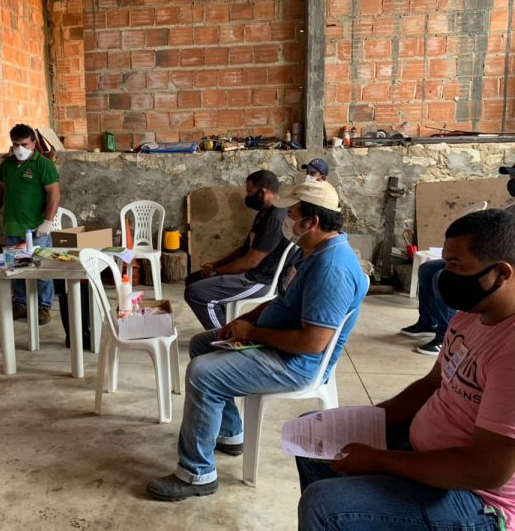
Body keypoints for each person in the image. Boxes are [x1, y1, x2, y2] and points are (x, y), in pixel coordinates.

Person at [147, 181, 368, 501]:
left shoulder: (331, 267)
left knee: (202, 373)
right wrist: (245, 320)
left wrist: (253, 334)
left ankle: (197, 474)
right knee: (201, 344)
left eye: (292, 215)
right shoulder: (314, 251)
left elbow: (312, 343)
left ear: (312, 221)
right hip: (279, 346)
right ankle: (230, 433)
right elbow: (284, 301)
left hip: (295, 363)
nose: (287, 221)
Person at [297, 209, 515, 531]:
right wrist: (366, 420)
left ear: (501, 273)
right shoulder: (470, 314)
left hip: (477, 499)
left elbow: (485, 470)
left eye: (457, 266)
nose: (445, 275)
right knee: (314, 433)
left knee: (324, 506)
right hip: (424, 448)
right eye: (446, 263)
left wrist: (378, 459)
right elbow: (431, 384)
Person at [400, 165, 515, 355]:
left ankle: (443, 334)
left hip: (498, 262)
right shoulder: (511, 208)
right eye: (511, 178)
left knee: (441, 276)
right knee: (427, 269)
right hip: (486, 254)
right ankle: (428, 322)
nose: (511, 182)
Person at [184, 170, 289, 330]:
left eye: (250, 192)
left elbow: (250, 262)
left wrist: (215, 272)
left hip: (259, 280)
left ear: (263, 192)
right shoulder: (264, 212)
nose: (247, 196)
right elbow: (244, 249)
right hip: (250, 272)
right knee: (193, 279)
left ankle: (222, 337)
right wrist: (215, 265)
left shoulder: (275, 219)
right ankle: (225, 326)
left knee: (195, 293)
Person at [0, 124, 60, 324]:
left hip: (36, 228)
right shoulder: (7, 166)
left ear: (34, 143)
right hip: (12, 226)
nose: (20, 149)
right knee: (15, 268)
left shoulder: (43, 164)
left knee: (41, 269)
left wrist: (48, 221)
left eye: (24, 144)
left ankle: (44, 307)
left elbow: (54, 193)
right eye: (16, 144)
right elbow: (0, 187)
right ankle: (20, 304)